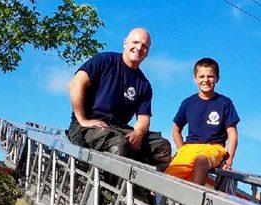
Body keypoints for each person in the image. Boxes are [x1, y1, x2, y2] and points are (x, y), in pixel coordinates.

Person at [67, 28, 171, 172]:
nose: (139, 47)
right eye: (135, 42)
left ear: (147, 52)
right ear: (125, 43)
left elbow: (143, 119)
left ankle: (144, 192)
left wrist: (138, 133)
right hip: (87, 126)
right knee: (119, 144)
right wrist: (83, 120)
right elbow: (75, 84)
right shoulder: (104, 60)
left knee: (162, 147)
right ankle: (111, 193)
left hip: (118, 128)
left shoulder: (144, 84)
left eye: (144, 46)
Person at [165, 57, 240, 185]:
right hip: (189, 148)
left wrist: (229, 158)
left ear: (217, 79)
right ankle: (163, 203)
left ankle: (192, 202)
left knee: (201, 161)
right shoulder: (188, 103)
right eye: (201, 76)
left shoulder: (224, 103)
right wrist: (181, 149)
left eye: (210, 76)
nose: (206, 80)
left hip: (213, 148)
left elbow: (232, 133)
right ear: (195, 79)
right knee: (169, 176)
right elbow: (176, 130)